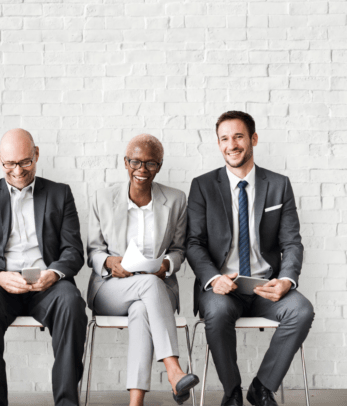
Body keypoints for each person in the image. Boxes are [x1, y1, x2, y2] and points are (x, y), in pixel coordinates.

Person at [186, 111, 314, 406]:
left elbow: (292, 242)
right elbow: (193, 243)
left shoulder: (278, 185)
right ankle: (232, 392)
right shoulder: (203, 186)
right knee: (217, 313)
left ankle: (262, 386)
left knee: (301, 310)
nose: (232, 144)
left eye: (239, 136)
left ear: (253, 139)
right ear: (219, 144)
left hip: (265, 288)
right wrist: (213, 278)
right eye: (224, 139)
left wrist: (286, 280)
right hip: (223, 287)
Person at [0, 128, 87, 406]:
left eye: (25, 162)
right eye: (10, 163)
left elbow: (73, 250)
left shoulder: (60, 193)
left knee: (72, 304)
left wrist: (53, 273)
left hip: (47, 282)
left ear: (37, 154)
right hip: (0, 283)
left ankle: (67, 402)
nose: (18, 170)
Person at [87, 134, 199, 406]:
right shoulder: (103, 198)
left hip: (157, 291)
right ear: (125, 163)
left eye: (150, 163)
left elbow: (179, 249)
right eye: (135, 162)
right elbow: (93, 250)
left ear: (159, 166)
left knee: (141, 309)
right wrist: (109, 262)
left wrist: (166, 264)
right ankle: (174, 371)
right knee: (148, 286)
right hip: (111, 289)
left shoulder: (175, 200)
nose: (142, 169)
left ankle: (135, 402)